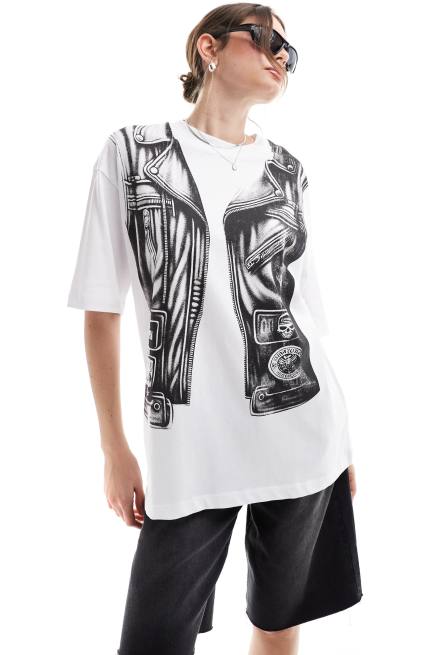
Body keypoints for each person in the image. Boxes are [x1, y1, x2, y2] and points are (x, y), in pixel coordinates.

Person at [67, 3, 363, 654]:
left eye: (289, 51)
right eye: (264, 38)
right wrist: (113, 447)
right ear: (209, 47)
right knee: (153, 638)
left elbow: (306, 314)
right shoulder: (132, 151)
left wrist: (342, 442)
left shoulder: (287, 169)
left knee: (277, 619)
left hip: (301, 428)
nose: (280, 56)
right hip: (190, 444)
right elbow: (100, 308)